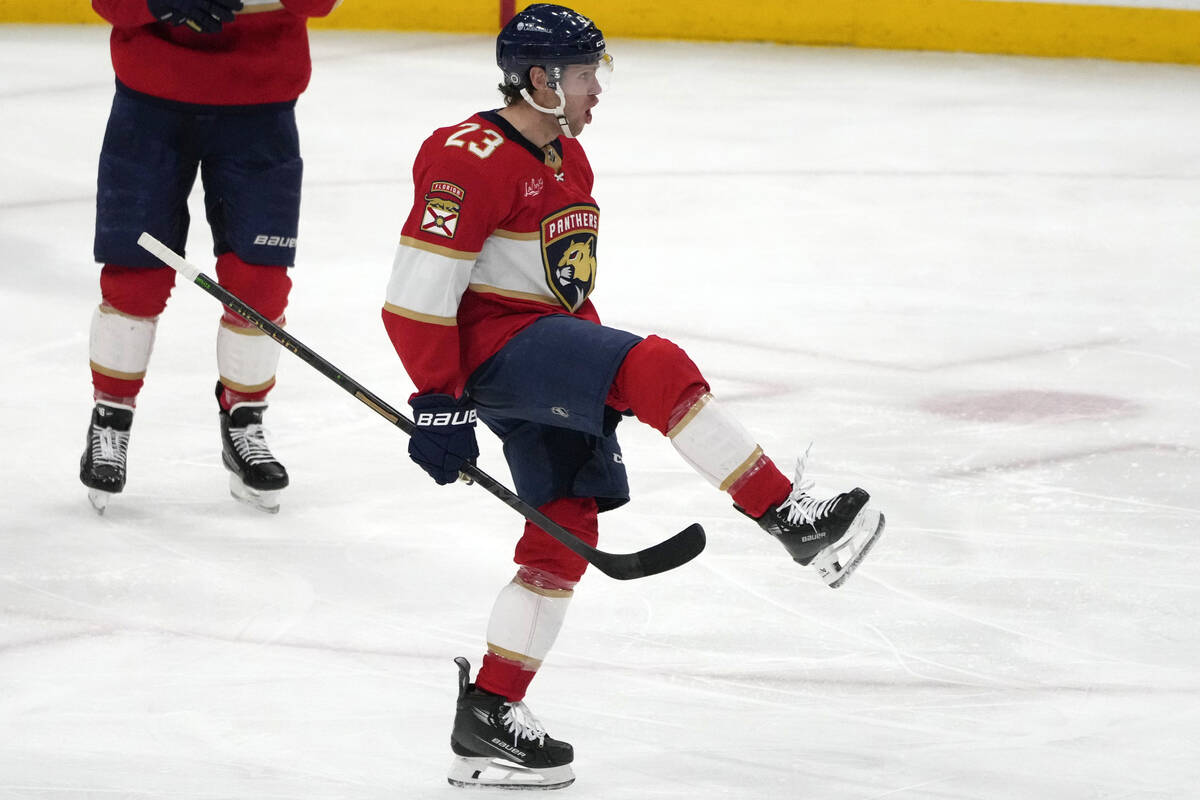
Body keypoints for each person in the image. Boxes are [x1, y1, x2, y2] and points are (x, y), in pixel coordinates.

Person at [381, 4, 887, 789]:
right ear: (542, 79)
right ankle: (786, 514)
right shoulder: (468, 156)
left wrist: (590, 385)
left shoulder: (566, 159)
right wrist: (438, 400)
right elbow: (416, 297)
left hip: (544, 351)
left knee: (564, 528)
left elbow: (565, 286)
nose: (596, 89)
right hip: (497, 352)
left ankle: (487, 717)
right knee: (656, 364)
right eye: (586, 74)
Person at [80, 0, 341, 514]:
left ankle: (245, 420)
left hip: (261, 107)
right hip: (150, 103)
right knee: (135, 278)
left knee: (259, 286)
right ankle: (110, 417)